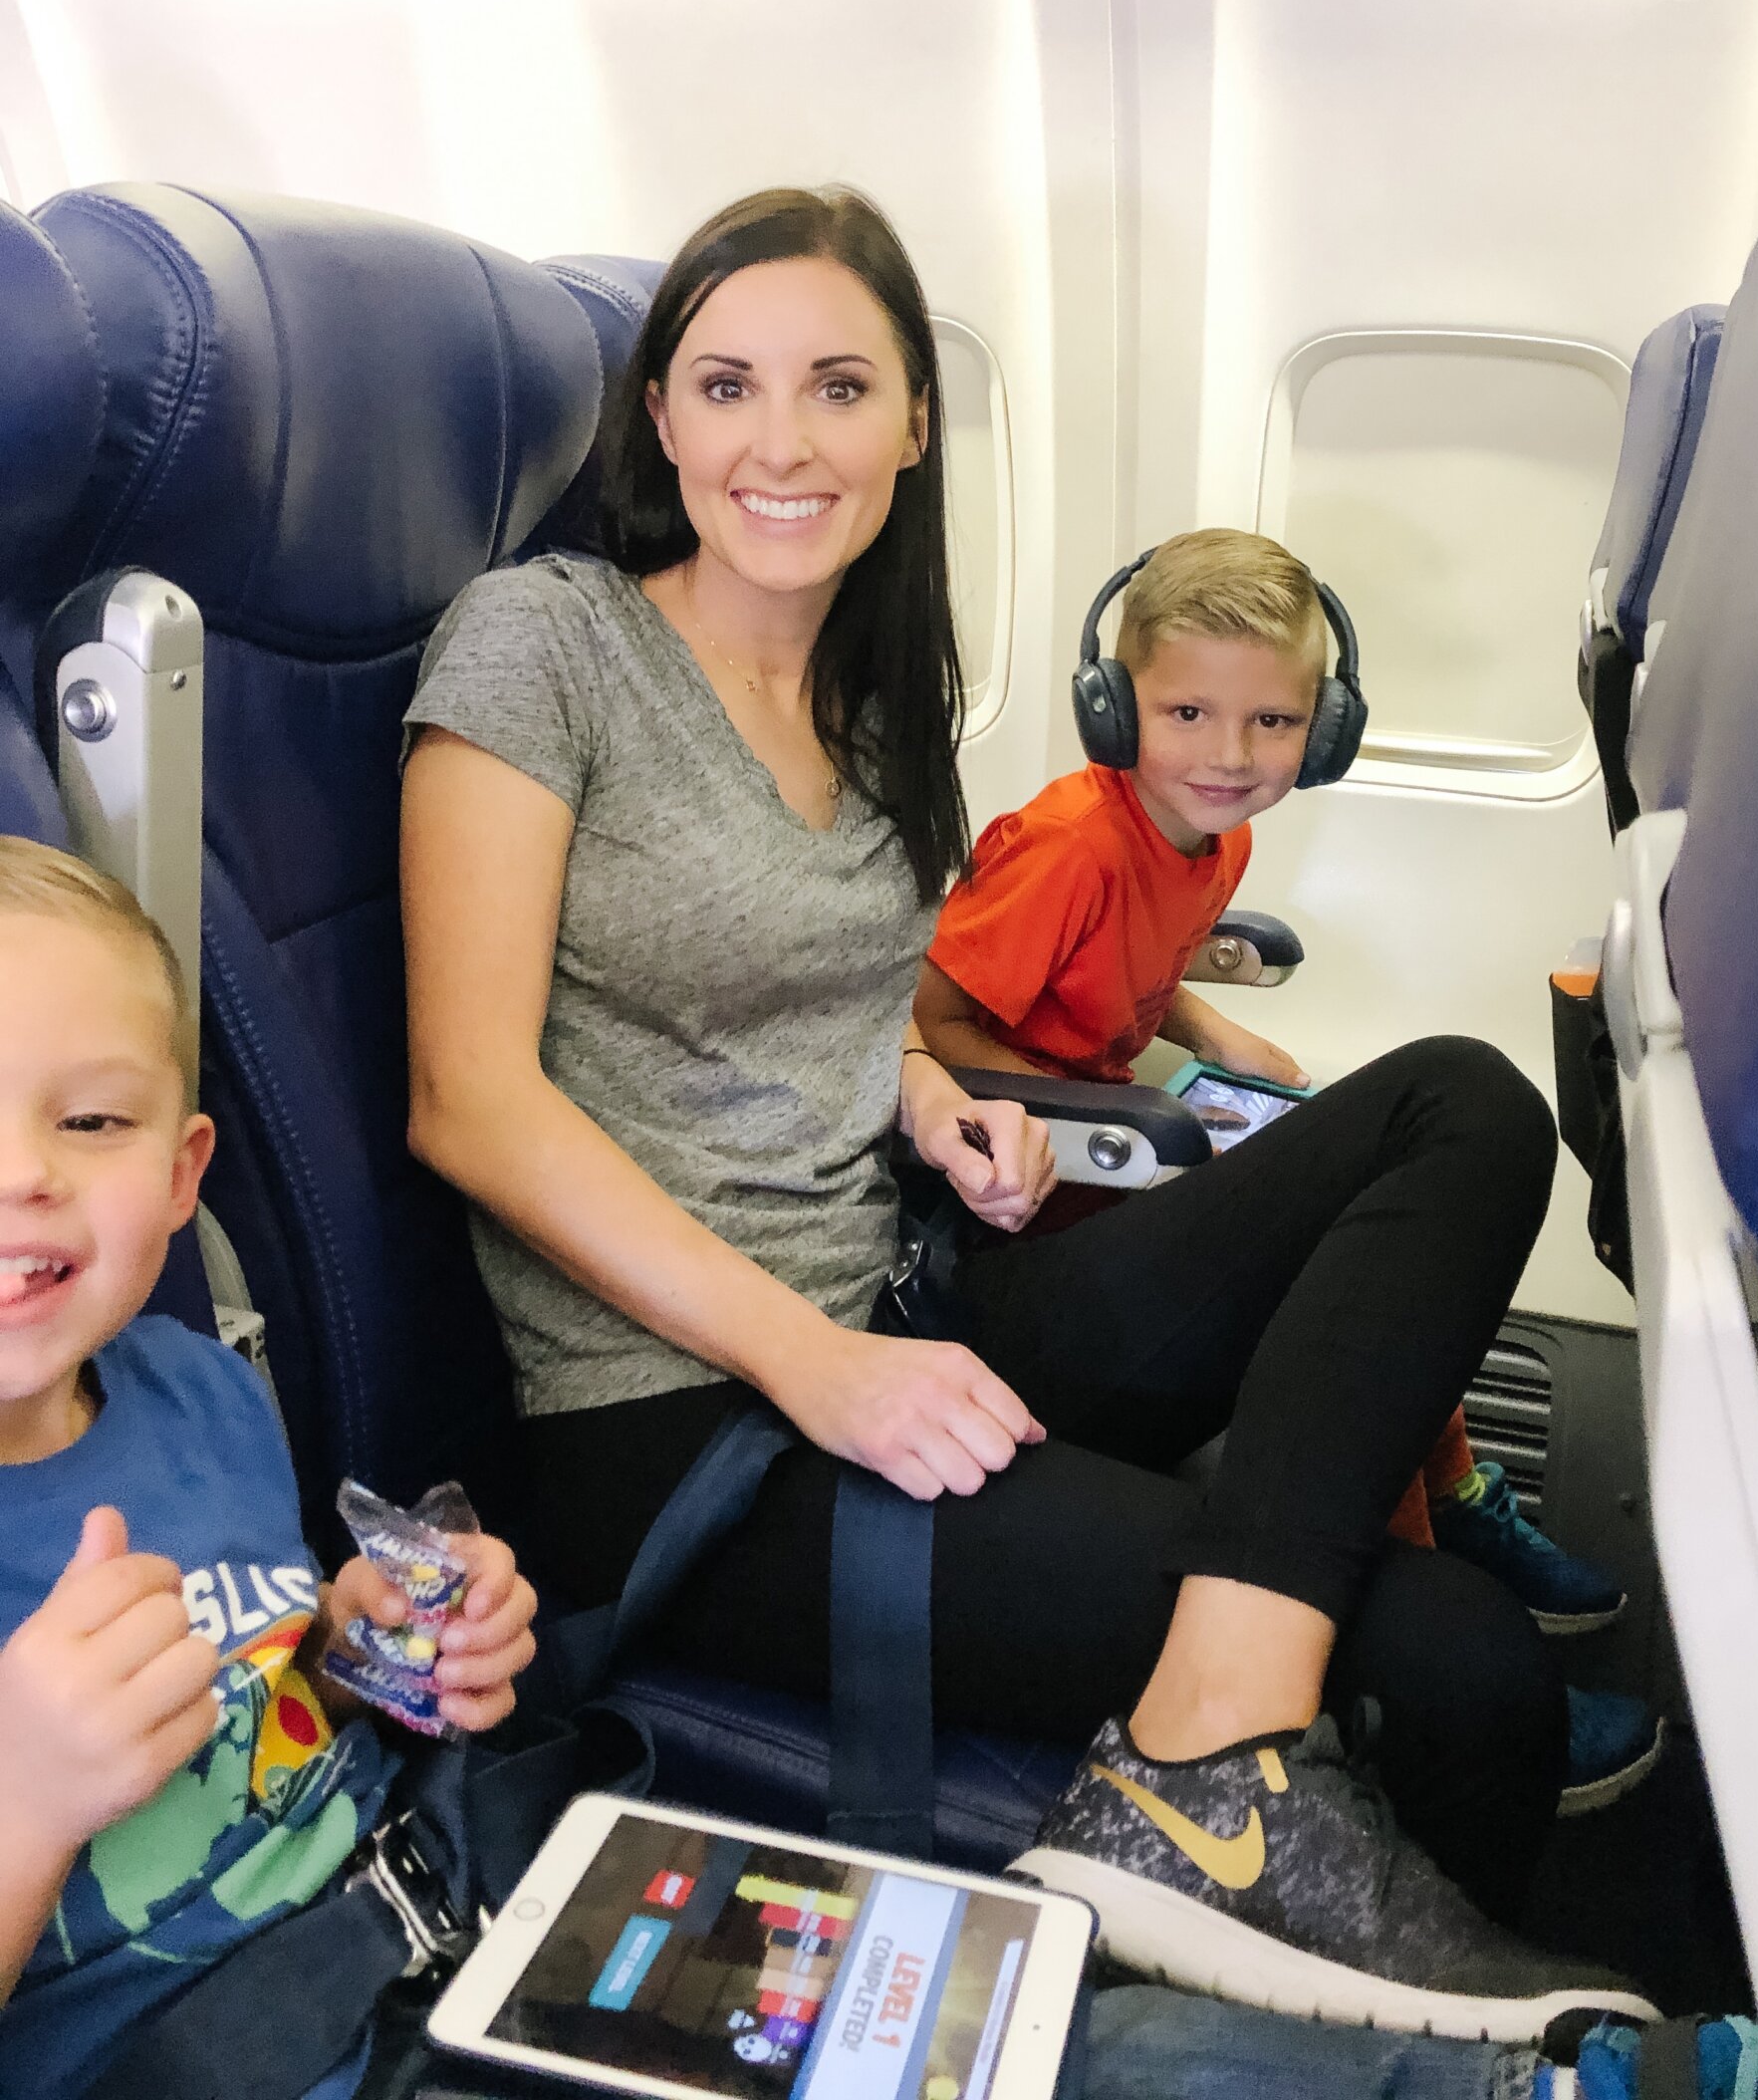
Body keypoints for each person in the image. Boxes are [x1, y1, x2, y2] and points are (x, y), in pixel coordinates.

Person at [398, 182, 1650, 2037]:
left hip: (908, 1299)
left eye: (841, 387)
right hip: (683, 1423)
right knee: (1464, 1665)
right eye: (727, 386)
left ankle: (1204, 1765)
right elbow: (471, 1101)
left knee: (1460, 1106)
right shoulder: (544, 645)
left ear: (914, 423)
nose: (782, 441)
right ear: (659, 415)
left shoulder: (876, 691)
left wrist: (918, 1098)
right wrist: (816, 1371)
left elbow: (839, 989)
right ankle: (1283, 1869)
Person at [913, 528, 1659, 1818]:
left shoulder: (1217, 843)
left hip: (1116, 1144)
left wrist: (1206, 1030)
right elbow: (931, 1018)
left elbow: (1131, 978)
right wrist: (1086, 1104)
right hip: (1030, 1201)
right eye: (1186, 712)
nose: (1230, 753)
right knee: (1353, 1253)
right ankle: (1416, 1583)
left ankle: (1454, 1490)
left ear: (1322, 731)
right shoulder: (1071, 846)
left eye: (1272, 721)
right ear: (1112, 708)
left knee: (1386, 1246)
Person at [0, 840, 539, 2099]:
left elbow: (267, 1713)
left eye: (90, 1121)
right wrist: (23, 1802)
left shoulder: (205, 1390)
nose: (26, 1172)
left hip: (424, 1944)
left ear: (182, 1173)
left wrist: (369, 1656)